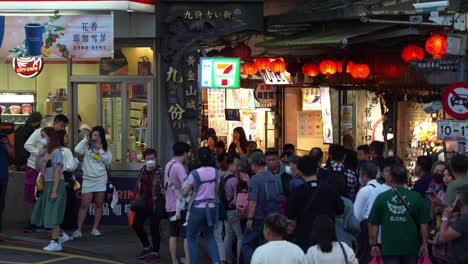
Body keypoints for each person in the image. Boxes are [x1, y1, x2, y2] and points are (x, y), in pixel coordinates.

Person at [368, 165, 431, 264]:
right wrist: (424, 244)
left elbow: (373, 224)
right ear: (406, 179)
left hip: (389, 248)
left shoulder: (382, 198)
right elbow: (424, 223)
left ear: (390, 177)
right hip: (411, 248)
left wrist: (374, 245)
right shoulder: (416, 197)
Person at [286, 155, 344, 252]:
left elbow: (290, 216)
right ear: (317, 170)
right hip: (327, 240)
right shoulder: (330, 190)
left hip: (304, 239)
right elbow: (340, 211)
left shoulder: (297, 192)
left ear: (300, 171)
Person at [24, 114, 69, 232]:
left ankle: (47, 225)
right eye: (62, 125)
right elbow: (27, 145)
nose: (63, 128)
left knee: (46, 200)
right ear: (56, 122)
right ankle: (34, 222)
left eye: (65, 127)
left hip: (50, 173)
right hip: (35, 167)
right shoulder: (40, 132)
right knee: (33, 196)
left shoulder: (56, 146)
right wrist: (39, 154)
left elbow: (58, 169)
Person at [241, 151, 282, 264]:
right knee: (266, 245)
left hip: (258, 217)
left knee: (247, 244)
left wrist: (250, 219)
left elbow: (253, 201)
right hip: (272, 216)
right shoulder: (273, 177)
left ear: (254, 164)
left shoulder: (255, 179)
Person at [72, 126, 112, 238]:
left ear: (102, 137)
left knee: (99, 204)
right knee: (84, 204)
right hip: (88, 178)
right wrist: (85, 140)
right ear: (91, 135)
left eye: (99, 135)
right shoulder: (86, 145)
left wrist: (100, 150)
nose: (96, 137)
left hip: (100, 178)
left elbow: (108, 161)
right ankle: (78, 229)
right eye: (94, 135)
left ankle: (95, 228)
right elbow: (76, 150)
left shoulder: (105, 147)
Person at [30, 127, 67, 251]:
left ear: (50, 137)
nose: (42, 139)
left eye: (43, 136)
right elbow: (38, 169)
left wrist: (54, 191)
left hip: (55, 184)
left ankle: (55, 241)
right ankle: (59, 237)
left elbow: (58, 172)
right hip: (46, 184)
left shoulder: (57, 152)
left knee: (54, 213)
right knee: (49, 212)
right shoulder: (44, 152)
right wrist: (37, 156)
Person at [182, 147, 220, 264]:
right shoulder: (216, 172)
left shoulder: (195, 173)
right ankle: (216, 262)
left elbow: (185, 192)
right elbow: (216, 190)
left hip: (198, 208)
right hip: (212, 207)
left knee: (191, 236)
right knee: (210, 236)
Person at [131, 148, 164, 262]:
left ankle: (156, 252)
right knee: (136, 225)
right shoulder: (142, 170)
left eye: (152, 159)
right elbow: (137, 187)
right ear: (144, 160)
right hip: (143, 204)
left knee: (154, 228)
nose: (150, 161)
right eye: (148, 159)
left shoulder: (161, 172)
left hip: (156, 204)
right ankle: (146, 247)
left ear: (156, 159)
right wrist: (134, 199)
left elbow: (165, 188)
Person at [165, 142, 190, 264]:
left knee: (173, 234)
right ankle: (187, 259)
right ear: (185, 153)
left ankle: (174, 261)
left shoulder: (169, 164)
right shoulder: (179, 167)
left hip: (169, 205)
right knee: (186, 234)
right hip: (179, 206)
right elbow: (186, 186)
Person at [353, 161, 380, 264]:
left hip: (366, 230)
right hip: (382, 229)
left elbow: (356, 216)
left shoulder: (364, 190)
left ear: (364, 175)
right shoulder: (382, 188)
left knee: (366, 258)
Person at [222, 154, 243, 264]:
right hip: (233, 210)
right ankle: (240, 260)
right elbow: (237, 199)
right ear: (230, 165)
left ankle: (227, 260)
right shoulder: (234, 180)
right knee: (240, 236)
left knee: (228, 235)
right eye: (237, 165)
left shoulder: (224, 176)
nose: (239, 167)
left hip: (225, 209)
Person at [438, 184, 468, 264]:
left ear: (461, 200)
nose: (454, 201)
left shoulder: (465, 219)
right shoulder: (462, 217)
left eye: (456, 198)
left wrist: (445, 217)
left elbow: (442, 237)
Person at [332, 171, 360, 248]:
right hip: (344, 243)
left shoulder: (322, 200)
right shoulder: (346, 202)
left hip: (323, 244)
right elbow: (353, 226)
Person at [0, 129, 14, 236]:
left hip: (2, 175)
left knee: (1, 204)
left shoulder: (4, 136)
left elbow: (13, 155)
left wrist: (6, 144)